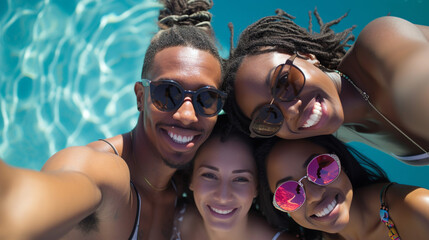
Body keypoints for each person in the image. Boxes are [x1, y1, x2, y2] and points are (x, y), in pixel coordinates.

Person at [0, 0, 226, 239]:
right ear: (140, 96)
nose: (187, 115)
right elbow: (16, 201)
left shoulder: (187, 183)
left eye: (206, 98)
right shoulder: (106, 172)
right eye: (168, 93)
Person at [223, 8, 429, 165]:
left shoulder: (381, 45)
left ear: (307, 56)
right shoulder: (339, 135)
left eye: (284, 82)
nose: (290, 110)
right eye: (268, 117)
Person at [255, 134, 429, 239]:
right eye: (290, 193)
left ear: (341, 161)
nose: (315, 195)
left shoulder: (418, 208)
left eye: (320, 169)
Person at [170, 116, 298, 240]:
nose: (223, 197)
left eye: (240, 179)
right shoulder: (167, 218)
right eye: (209, 175)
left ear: (257, 187)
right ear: (191, 178)